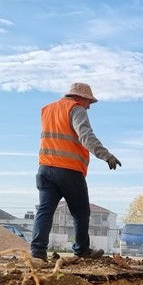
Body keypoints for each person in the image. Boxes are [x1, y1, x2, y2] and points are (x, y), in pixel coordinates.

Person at [30, 82, 121, 264]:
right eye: (89, 102)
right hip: (68, 170)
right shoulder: (76, 108)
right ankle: (81, 250)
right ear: (81, 97)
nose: (89, 107)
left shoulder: (47, 109)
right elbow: (85, 135)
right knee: (80, 212)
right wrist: (106, 155)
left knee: (45, 211)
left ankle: (38, 253)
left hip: (45, 169)